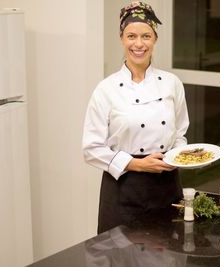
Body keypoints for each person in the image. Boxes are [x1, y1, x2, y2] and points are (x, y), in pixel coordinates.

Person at [82, 1, 189, 234]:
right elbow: (91, 148)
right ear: (121, 39)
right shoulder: (106, 89)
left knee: (168, 253)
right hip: (123, 188)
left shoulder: (172, 83)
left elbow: (180, 134)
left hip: (166, 185)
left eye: (146, 36)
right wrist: (137, 165)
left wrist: (175, 157)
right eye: (131, 36)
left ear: (155, 39)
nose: (139, 44)